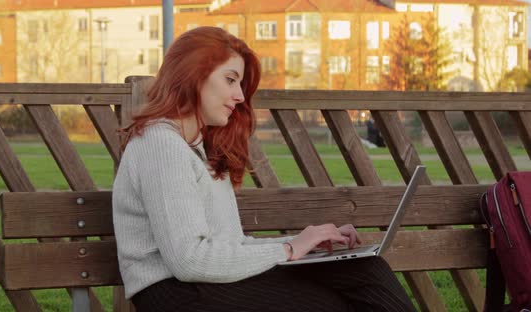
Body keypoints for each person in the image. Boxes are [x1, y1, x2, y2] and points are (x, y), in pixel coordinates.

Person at [113, 26, 416, 312]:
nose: (240, 96)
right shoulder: (160, 144)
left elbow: (232, 246)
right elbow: (188, 261)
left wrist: (307, 243)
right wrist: (287, 248)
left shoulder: (197, 148)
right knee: (326, 306)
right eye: (230, 80)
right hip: (175, 292)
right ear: (194, 75)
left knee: (362, 267)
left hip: (206, 281)